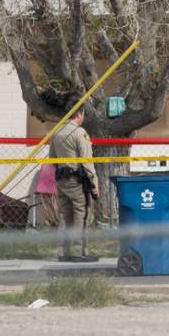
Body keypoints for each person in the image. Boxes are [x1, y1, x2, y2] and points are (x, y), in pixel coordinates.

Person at [50, 103, 100, 262]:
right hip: (77, 181)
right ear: (79, 114)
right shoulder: (80, 133)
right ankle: (79, 252)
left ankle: (63, 252)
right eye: (83, 114)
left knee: (64, 215)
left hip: (62, 180)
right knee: (81, 214)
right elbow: (87, 162)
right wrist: (94, 183)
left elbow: (52, 158)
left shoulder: (56, 132)